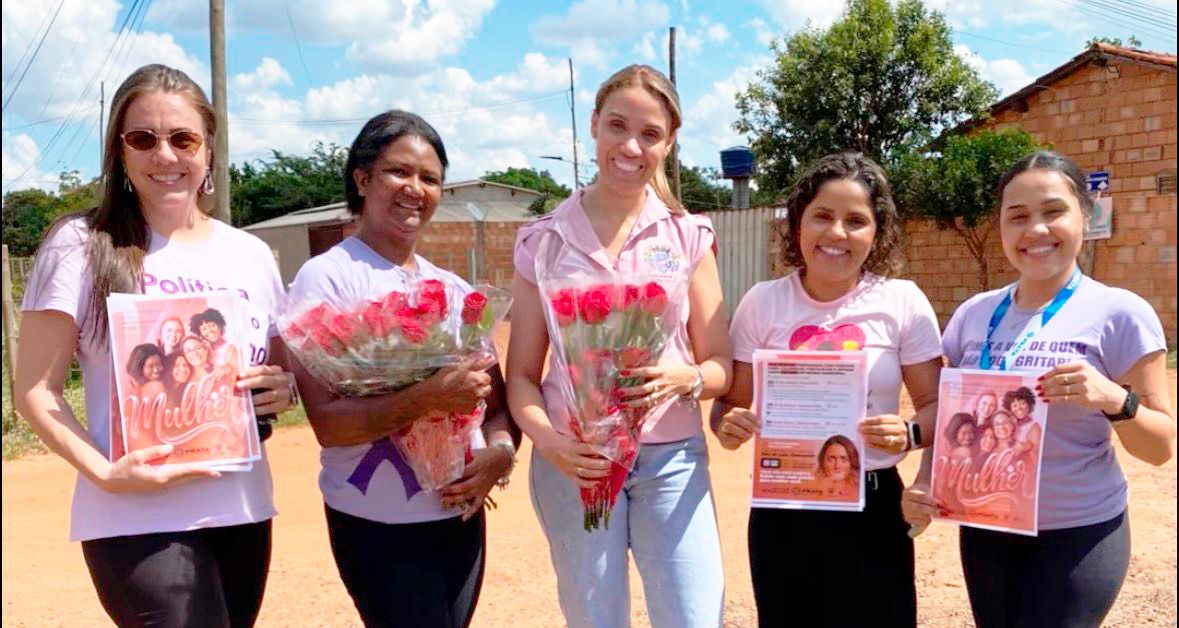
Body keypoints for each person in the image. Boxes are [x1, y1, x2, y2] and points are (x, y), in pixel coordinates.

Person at [12, 64, 298, 628]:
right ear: (120, 152)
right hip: (131, 516)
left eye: (183, 139)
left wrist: (281, 389)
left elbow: (279, 371)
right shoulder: (80, 244)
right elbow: (35, 391)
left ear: (209, 148)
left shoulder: (249, 254)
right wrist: (106, 474)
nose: (165, 155)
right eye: (143, 139)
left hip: (241, 509)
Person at [903, 150, 1176, 628]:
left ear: (1084, 216)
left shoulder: (1121, 313)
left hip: (1079, 532)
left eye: (1053, 211)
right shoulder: (973, 315)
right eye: (1018, 216)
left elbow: (1160, 448)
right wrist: (926, 483)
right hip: (987, 527)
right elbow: (949, 414)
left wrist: (1114, 399)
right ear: (1001, 227)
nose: (1036, 230)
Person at [507, 64, 732, 628]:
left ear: (669, 143)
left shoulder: (687, 236)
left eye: (650, 134)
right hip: (575, 464)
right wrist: (552, 444)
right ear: (594, 126)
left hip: (671, 460)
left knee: (692, 617)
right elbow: (522, 378)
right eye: (617, 126)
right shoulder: (543, 240)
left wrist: (687, 378)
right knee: (595, 619)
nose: (631, 147)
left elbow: (720, 364)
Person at [285, 109, 517, 628]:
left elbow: (498, 408)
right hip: (376, 520)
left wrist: (499, 456)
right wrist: (429, 397)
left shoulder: (455, 291)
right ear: (362, 179)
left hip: (458, 515)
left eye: (430, 178)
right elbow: (329, 424)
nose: (415, 188)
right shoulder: (327, 279)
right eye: (399, 171)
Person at [712, 152, 943, 628]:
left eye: (856, 220)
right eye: (822, 215)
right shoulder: (762, 302)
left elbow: (935, 404)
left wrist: (909, 433)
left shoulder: (902, 301)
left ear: (877, 232)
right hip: (784, 508)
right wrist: (728, 426)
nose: (836, 233)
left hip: (874, 506)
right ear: (798, 222)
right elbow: (729, 405)